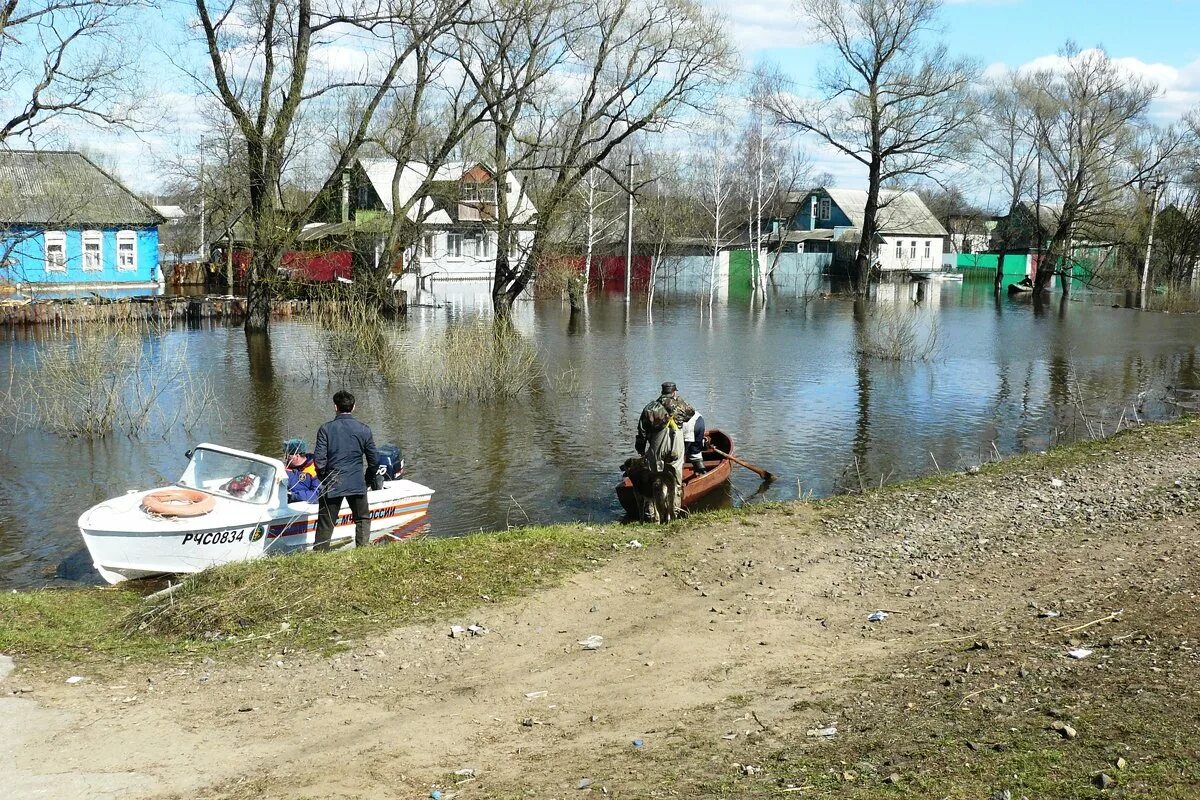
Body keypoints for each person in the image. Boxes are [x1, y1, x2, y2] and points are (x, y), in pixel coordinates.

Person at [313, 390, 380, 550]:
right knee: (362, 519)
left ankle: (319, 556)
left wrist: (325, 479)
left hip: (333, 482)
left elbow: (319, 461)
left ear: (335, 407)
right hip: (357, 482)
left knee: (326, 523)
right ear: (354, 407)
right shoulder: (364, 429)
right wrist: (367, 480)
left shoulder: (325, 429)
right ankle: (363, 551)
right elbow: (374, 461)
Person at [635, 381, 692, 519]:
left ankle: (652, 515)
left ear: (661, 392)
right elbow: (691, 414)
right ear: (674, 392)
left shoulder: (650, 407)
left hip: (657, 444)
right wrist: (677, 403)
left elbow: (642, 431)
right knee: (675, 479)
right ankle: (674, 511)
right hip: (676, 443)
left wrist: (641, 449)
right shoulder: (681, 404)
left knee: (654, 478)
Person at [283, 438, 321, 504]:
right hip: (285, 502)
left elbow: (317, 494)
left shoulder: (315, 469)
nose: (286, 458)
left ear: (297, 456)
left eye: (288, 456)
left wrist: (293, 496)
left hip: (304, 506)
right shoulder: (287, 467)